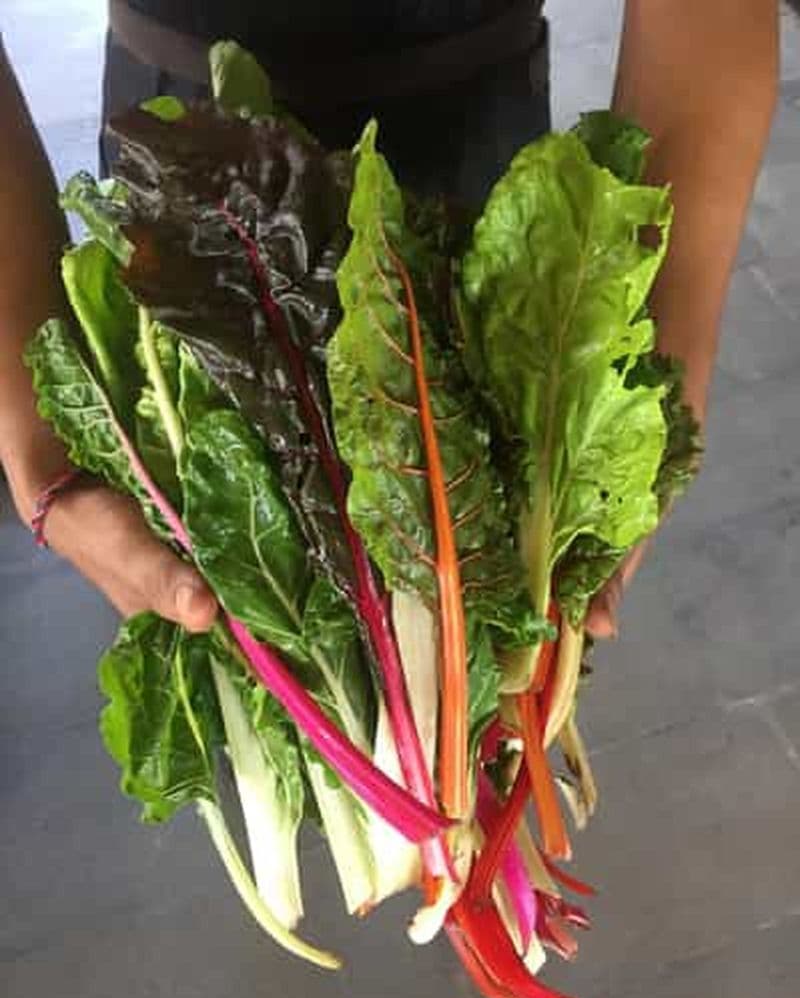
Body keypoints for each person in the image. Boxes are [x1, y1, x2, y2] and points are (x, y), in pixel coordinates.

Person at [0, 1, 779, 639]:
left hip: (483, 182)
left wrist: (658, 365)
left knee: (494, 650)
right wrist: (31, 431)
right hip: (200, 184)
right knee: (231, 624)